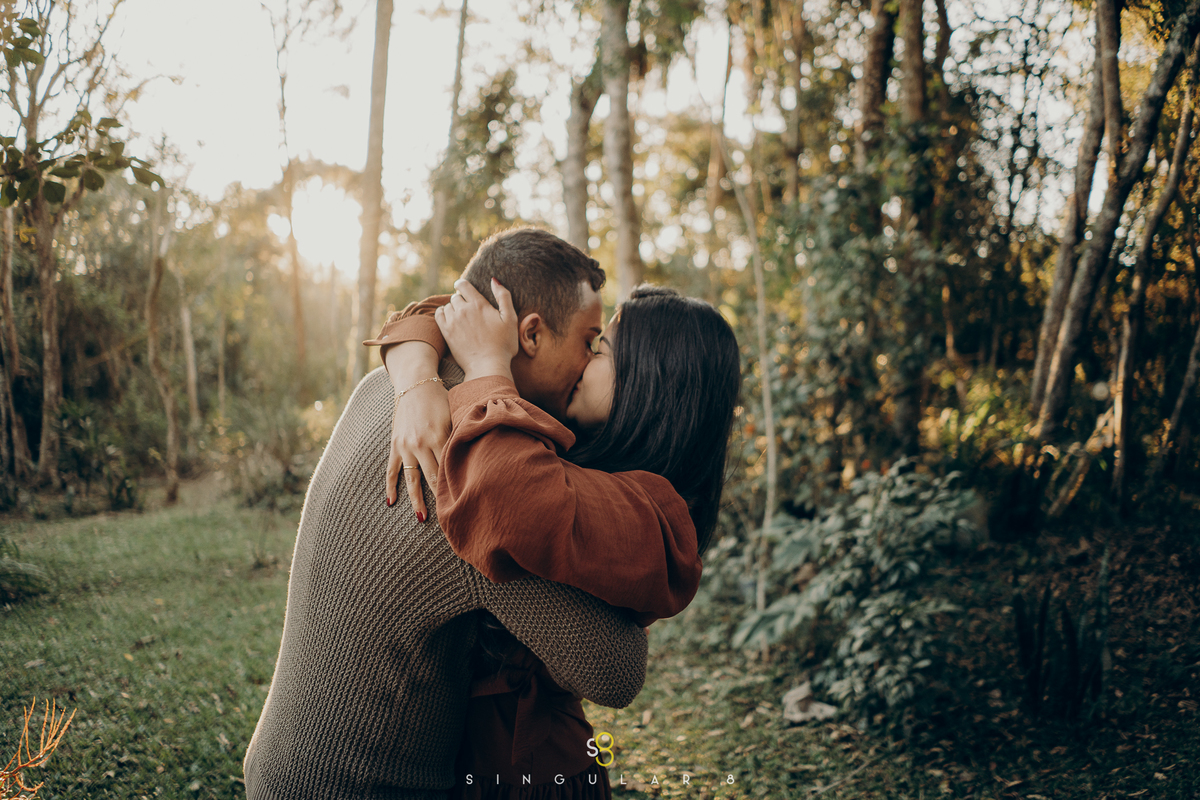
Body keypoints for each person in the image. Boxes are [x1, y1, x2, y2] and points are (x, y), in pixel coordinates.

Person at [243, 231, 653, 800]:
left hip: (279, 763)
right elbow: (615, 671)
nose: (591, 363)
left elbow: (425, 321)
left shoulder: (385, 388)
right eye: (589, 341)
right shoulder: (473, 475)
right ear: (531, 334)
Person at [378, 260, 740, 797]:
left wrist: (486, 364)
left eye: (599, 347)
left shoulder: (657, 515)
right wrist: (415, 382)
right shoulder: (575, 442)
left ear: (652, 384)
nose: (581, 357)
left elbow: (505, 497)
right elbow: (440, 313)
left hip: (538, 776)